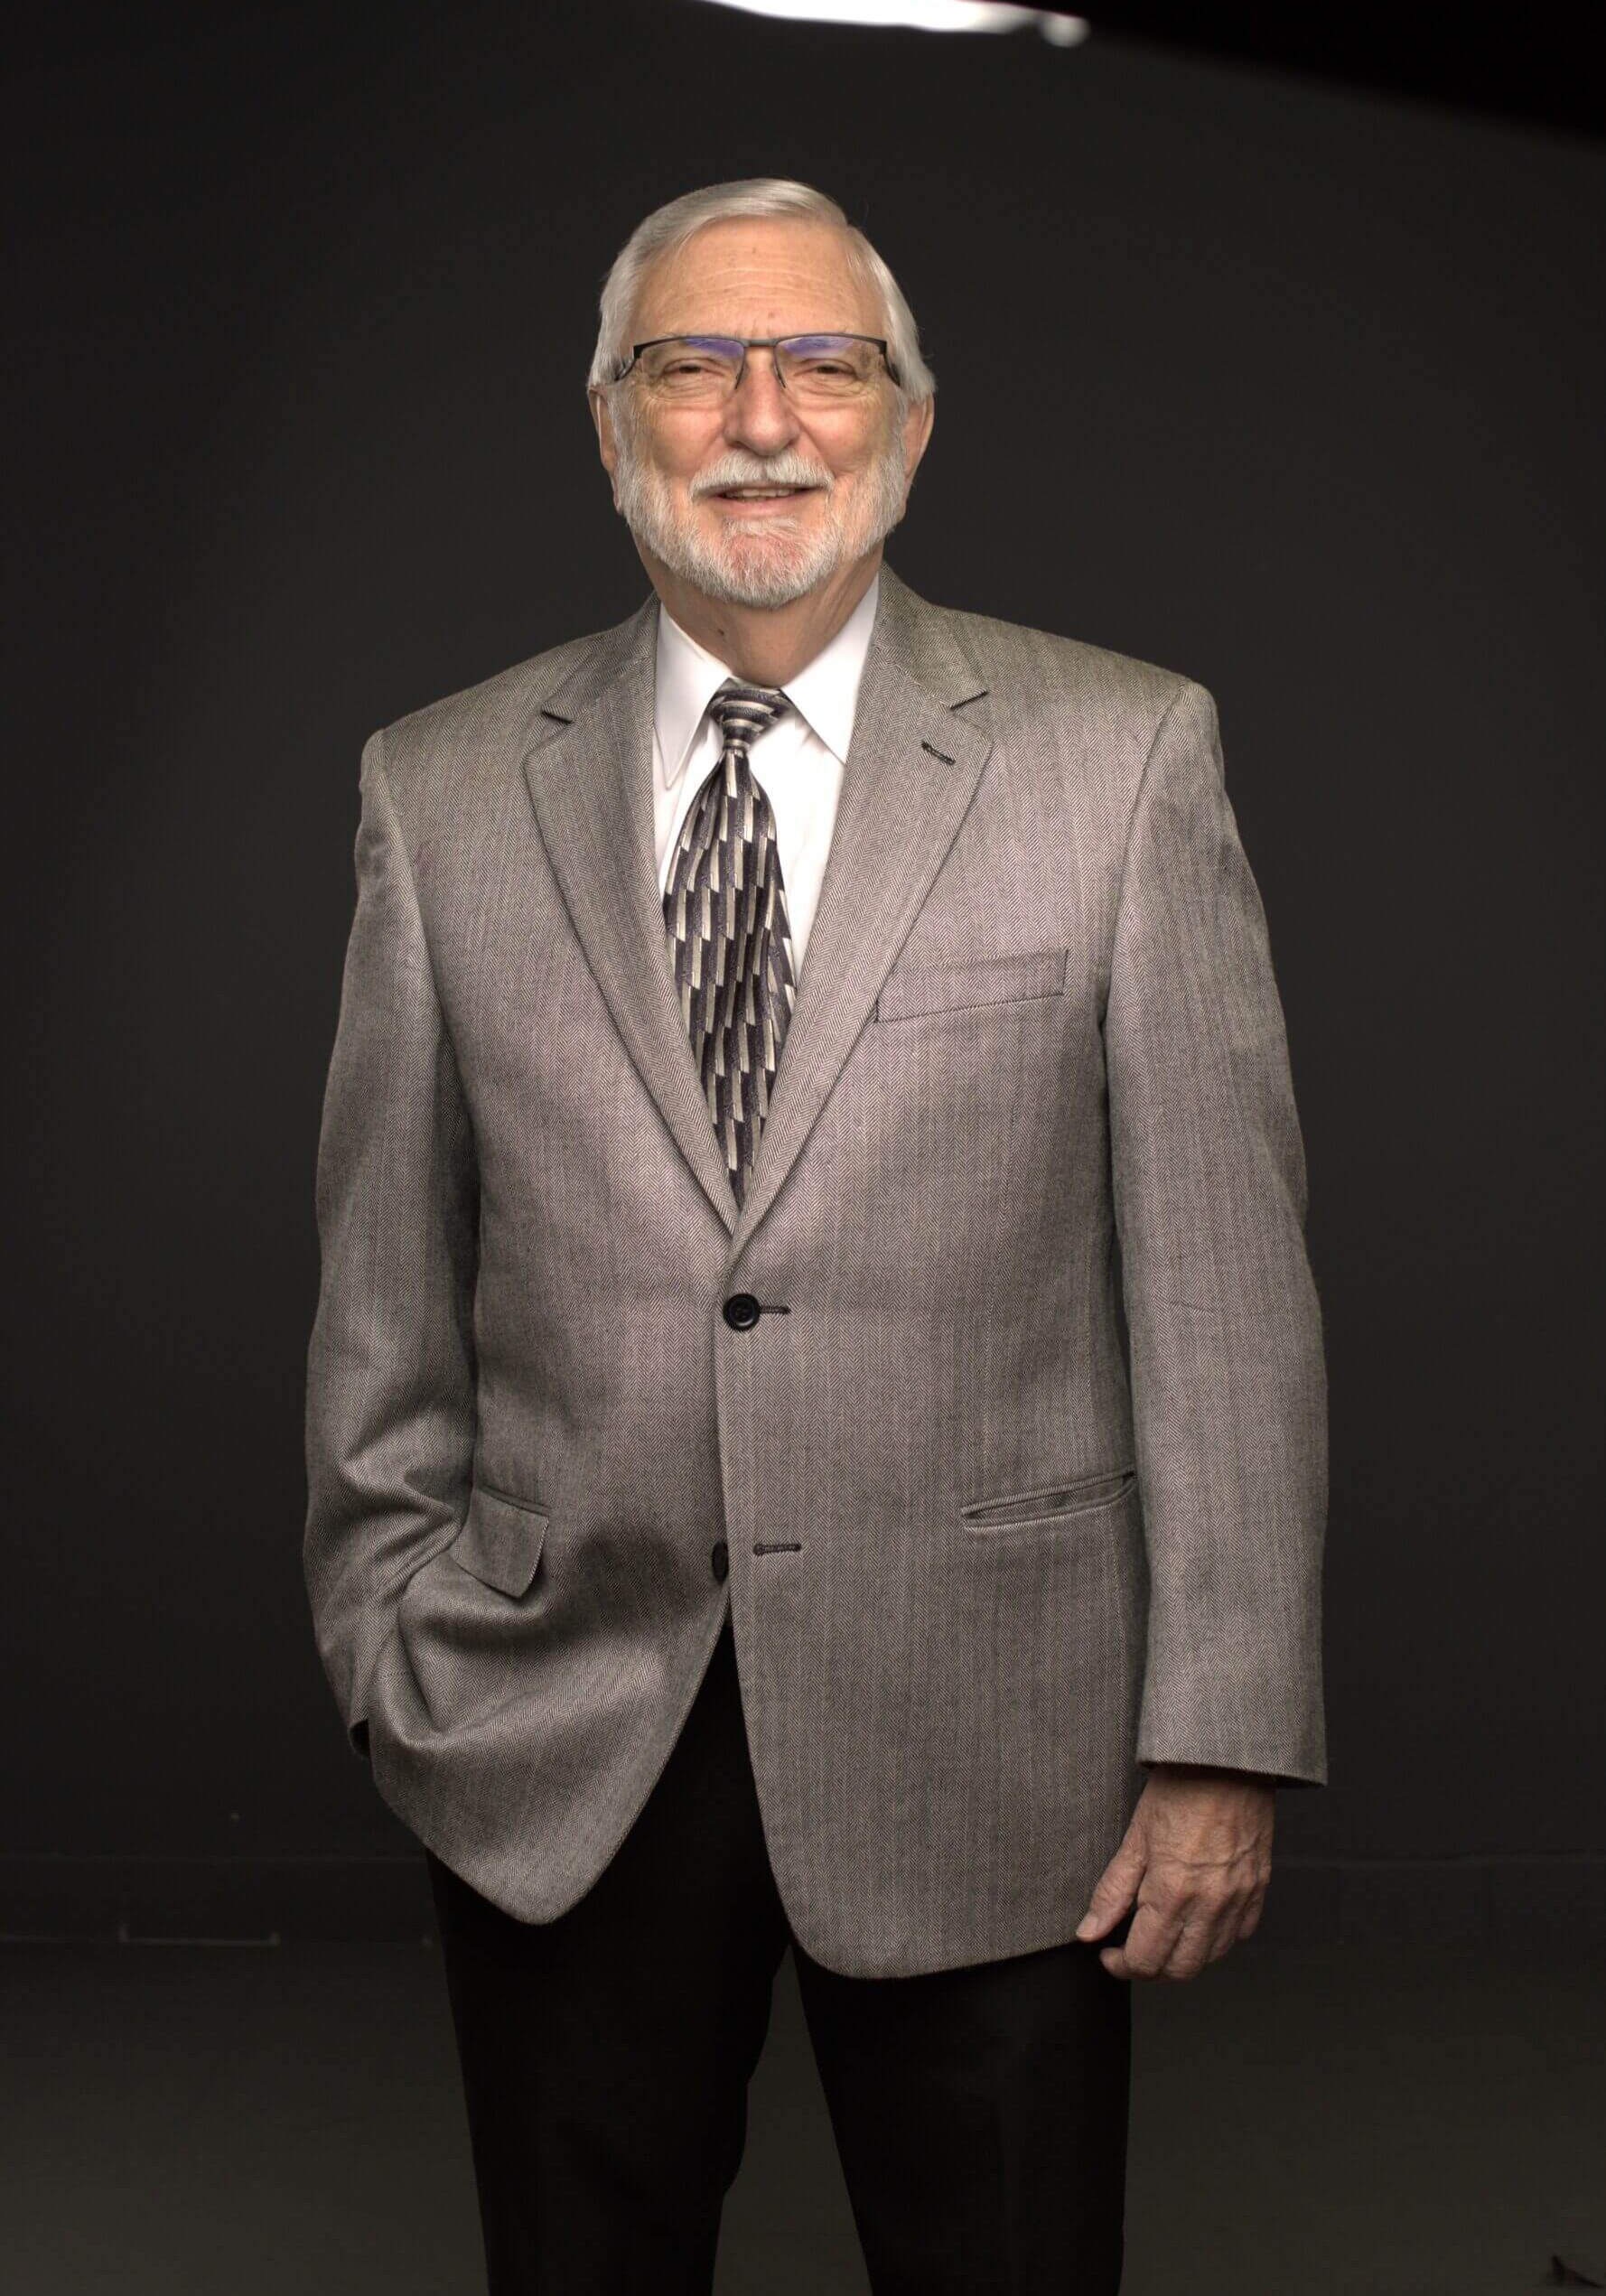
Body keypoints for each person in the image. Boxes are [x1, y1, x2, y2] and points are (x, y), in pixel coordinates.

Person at [303, 175, 1327, 2295]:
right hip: (557, 1733)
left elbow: (1224, 1293)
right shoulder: (438, 787)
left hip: (1001, 1746)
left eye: (822, 360)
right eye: (691, 362)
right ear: (609, 426)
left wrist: (1217, 1733)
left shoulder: (1124, 758)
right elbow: (383, 1280)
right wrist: (390, 1647)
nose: (760, 412)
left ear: (912, 421)